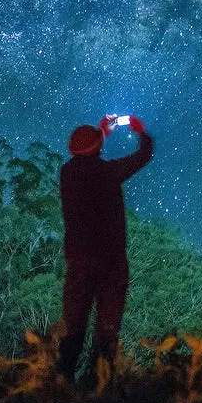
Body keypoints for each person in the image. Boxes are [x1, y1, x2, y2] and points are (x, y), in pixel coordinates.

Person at [56, 113, 153, 382]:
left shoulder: (67, 174)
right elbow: (144, 155)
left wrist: (100, 132)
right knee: (107, 328)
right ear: (97, 147)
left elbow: (87, 156)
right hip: (111, 262)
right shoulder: (109, 173)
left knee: (73, 326)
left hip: (79, 261)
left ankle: (61, 385)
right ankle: (99, 387)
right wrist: (139, 130)